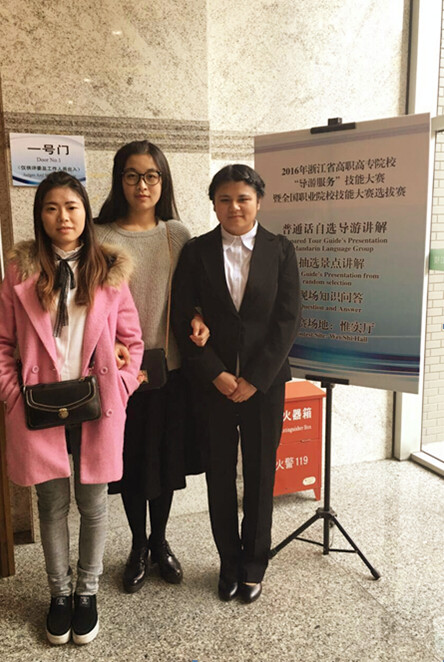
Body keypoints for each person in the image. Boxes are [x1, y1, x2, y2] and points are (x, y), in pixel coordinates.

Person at [0, 171, 143, 645]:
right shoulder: (21, 273)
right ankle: (59, 594)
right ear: (40, 217)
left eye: (72, 206)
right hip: (39, 406)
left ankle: (86, 593)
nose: (63, 217)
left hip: (97, 405)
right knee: (51, 505)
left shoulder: (109, 270)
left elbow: (132, 340)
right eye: (51, 208)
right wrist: (11, 392)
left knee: (93, 504)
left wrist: (122, 386)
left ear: (85, 213)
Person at [172, 164, 301, 604]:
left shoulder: (281, 250)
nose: (234, 207)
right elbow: (182, 315)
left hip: (265, 386)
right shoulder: (196, 251)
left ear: (259, 202)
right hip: (215, 386)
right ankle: (228, 562)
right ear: (213, 204)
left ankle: (254, 565)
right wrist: (216, 373)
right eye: (224, 199)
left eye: (243, 198)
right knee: (220, 475)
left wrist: (256, 379)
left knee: (261, 475)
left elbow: (287, 320)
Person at [94, 140, 208, 594]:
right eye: (132, 175)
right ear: (119, 180)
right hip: (119, 373)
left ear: (163, 181)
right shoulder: (99, 235)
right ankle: (137, 546)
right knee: (131, 464)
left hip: (169, 370)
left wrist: (198, 317)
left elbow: (195, 293)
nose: (142, 185)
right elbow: (88, 304)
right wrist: (110, 347)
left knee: (165, 461)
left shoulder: (176, 234)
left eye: (151, 176)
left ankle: (160, 542)